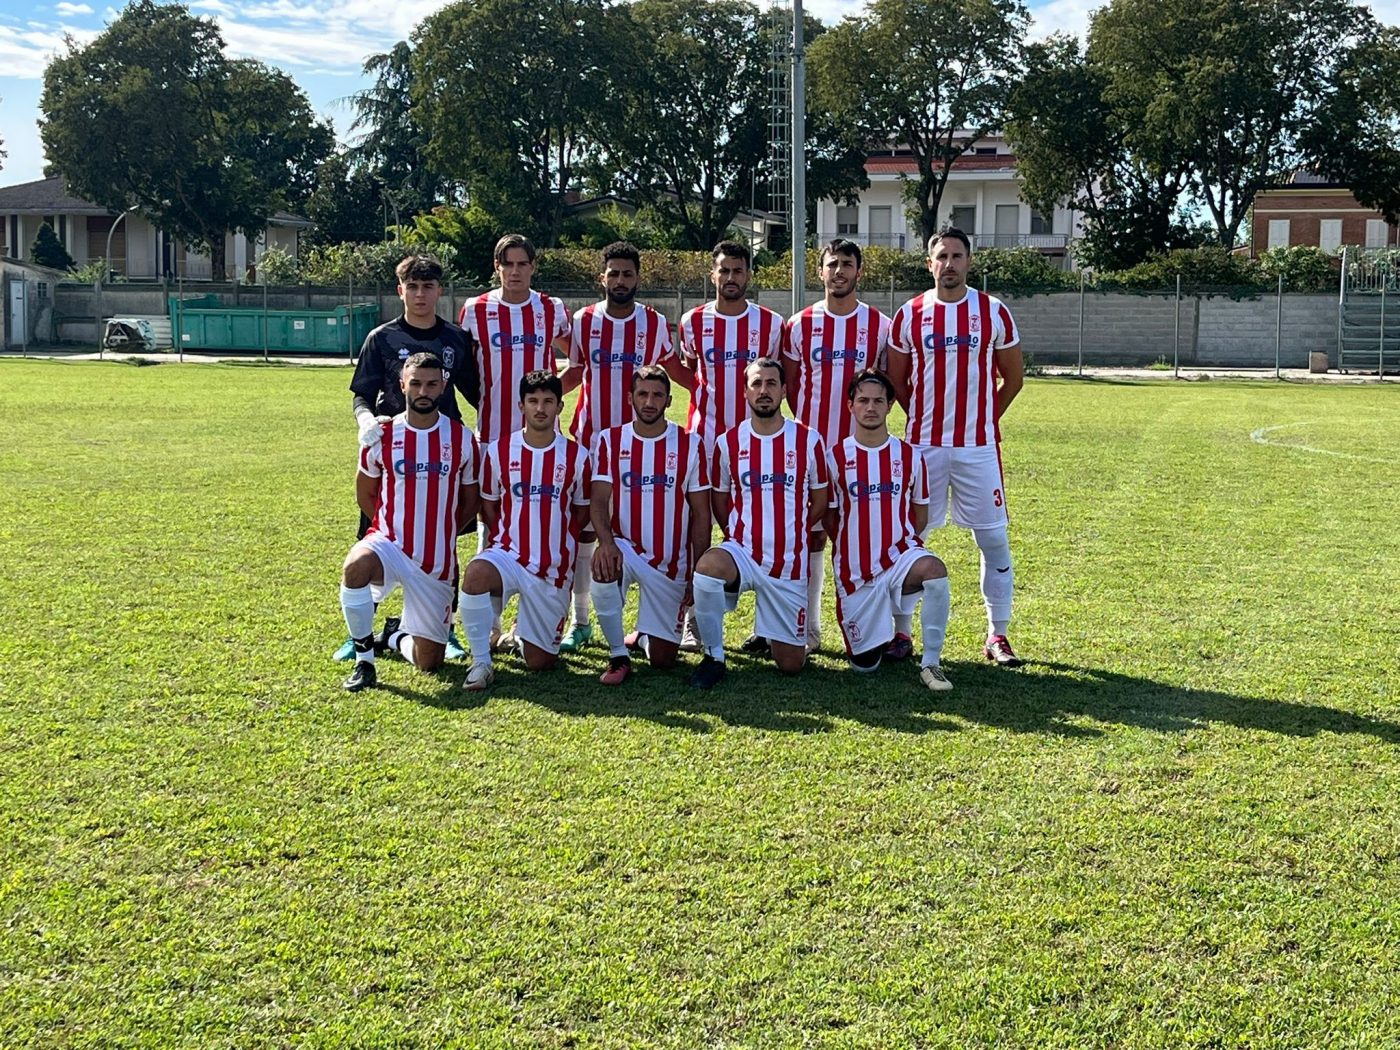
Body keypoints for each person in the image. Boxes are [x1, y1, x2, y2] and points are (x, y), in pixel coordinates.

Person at [887, 226, 1026, 666]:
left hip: (978, 448)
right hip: (923, 448)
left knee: (993, 539)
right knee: (911, 538)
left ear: (969, 261)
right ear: (929, 264)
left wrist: (983, 420)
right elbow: (897, 381)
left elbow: (1013, 379)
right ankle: (901, 632)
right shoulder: (909, 314)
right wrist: (923, 419)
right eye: (941, 256)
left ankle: (997, 634)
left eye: (957, 256)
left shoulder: (993, 311)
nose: (949, 264)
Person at [337, 254, 479, 662]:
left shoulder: (455, 338)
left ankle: (443, 629)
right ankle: (361, 631)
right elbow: (362, 393)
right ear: (400, 291)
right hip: (392, 450)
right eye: (412, 287)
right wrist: (366, 420)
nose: (420, 294)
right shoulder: (381, 338)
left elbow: (478, 392)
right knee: (372, 540)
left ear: (439, 291)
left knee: (443, 544)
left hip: (443, 454)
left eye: (427, 286)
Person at [558, 242, 694, 655]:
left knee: (651, 524)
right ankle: (581, 620)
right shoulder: (583, 321)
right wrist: (536, 398)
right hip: (591, 440)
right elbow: (576, 372)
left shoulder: (653, 323)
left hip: (643, 445)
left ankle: (662, 619)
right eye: (613, 273)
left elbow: (674, 370)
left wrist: (715, 393)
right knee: (586, 527)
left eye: (627, 274)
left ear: (638, 278)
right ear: (602, 277)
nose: (620, 280)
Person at [340, 352, 480, 692]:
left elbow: (470, 501)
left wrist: (441, 532)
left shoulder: (461, 438)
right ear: (402, 385)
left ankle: (393, 636)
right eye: (415, 383)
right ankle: (364, 661)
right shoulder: (382, 435)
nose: (423, 391)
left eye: (431, 384)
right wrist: (389, 527)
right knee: (355, 566)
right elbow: (365, 494)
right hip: (389, 543)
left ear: (443, 386)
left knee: (429, 661)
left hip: (435, 561)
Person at [458, 234, 571, 651]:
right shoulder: (475, 310)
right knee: (492, 527)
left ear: (533, 267)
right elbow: (465, 369)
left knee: (548, 525)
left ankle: (555, 618)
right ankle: (491, 625)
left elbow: (576, 359)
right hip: (493, 439)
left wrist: (551, 401)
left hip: (543, 442)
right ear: (497, 267)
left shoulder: (551, 309)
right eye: (508, 264)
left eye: (523, 263)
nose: (516, 271)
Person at [688, 358, 829, 689]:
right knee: (708, 567)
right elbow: (720, 500)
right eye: (756, 383)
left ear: (784, 390)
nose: (763, 390)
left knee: (791, 665)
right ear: (745, 391)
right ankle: (713, 656)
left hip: (788, 563)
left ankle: (771, 632)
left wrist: (794, 529)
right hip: (744, 553)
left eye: (771, 383)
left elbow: (820, 500)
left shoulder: (808, 440)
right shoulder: (728, 442)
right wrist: (736, 533)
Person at [781, 238, 892, 654]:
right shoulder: (799, 324)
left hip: (860, 454)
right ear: (820, 271)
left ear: (859, 271)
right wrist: (811, 432)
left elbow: (885, 387)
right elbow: (793, 387)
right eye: (832, 264)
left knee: (862, 540)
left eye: (847, 263)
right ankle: (809, 628)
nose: (839, 271)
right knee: (810, 538)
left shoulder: (880, 325)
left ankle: (872, 629)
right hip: (812, 452)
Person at [676, 239, 783, 652]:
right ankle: (694, 619)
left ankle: (767, 622)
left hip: (757, 443)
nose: (731, 277)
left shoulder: (770, 323)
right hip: (704, 441)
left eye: (738, 270)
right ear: (713, 274)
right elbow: (690, 371)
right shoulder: (692, 321)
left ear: (749, 275)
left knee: (764, 525)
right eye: (724, 270)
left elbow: (775, 378)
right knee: (699, 526)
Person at [458, 371, 591, 691]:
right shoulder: (499, 451)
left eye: (548, 401)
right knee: (476, 574)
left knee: (539, 662)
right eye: (533, 401)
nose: (540, 408)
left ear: (560, 406)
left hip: (553, 567)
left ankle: (522, 634)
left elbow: (581, 511)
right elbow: (489, 508)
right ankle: (481, 662)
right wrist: (508, 537)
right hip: (509, 554)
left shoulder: (577, 456)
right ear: (521, 406)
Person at [824, 370, 952, 690]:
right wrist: (854, 546)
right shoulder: (834, 457)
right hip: (856, 574)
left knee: (934, 571)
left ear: (889, 405)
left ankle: (931, 664)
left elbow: (920, 515)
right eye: (863, 400)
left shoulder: (909, 456)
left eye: (878, 401)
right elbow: (828, 517)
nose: (871, 407)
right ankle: (879, 631)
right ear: (851, 405)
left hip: (898, 559)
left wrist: (899, 547)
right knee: (865, 666)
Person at [589, 366, 712, 685]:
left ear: (669, 400)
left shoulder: (689, 443)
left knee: (663, 659)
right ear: (630, 398)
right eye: (642, 394)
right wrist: (606, 543)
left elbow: (701, 513)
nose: (649, 402)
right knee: (603, 565)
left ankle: (645, 636)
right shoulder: (610, 440)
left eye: (657, 395)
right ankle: (618, 655)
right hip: (625, 548)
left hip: (671, 564)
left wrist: (698, 571)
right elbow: (598, 500)